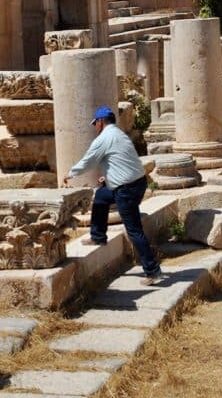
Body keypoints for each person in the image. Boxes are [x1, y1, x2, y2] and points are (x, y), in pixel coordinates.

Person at [62, 105, 166, 285]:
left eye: (95, 123)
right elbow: (122, 160)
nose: (95, 127)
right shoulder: (119, 134)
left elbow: (89, 160)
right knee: (102, 196)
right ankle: (98, 236)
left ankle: (153, 271)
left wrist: (70, 174)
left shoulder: (104, 138)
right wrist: (108, 176)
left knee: (134, 230)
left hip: (126, 189)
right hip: (137, 182)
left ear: (100, 122)